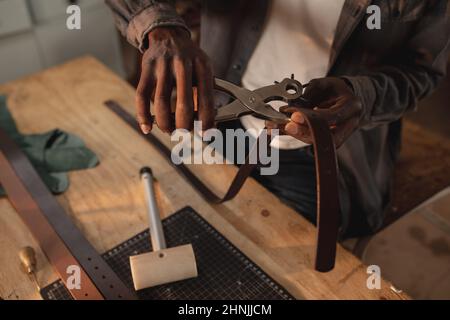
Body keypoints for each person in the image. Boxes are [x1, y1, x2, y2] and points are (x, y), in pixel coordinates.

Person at [106, 0, 450, 237]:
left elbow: (422, 69)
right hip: (221, 118)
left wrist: (361, 95)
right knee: (192, 221)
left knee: (277, 261)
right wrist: (158, 25)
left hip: (327, 155)